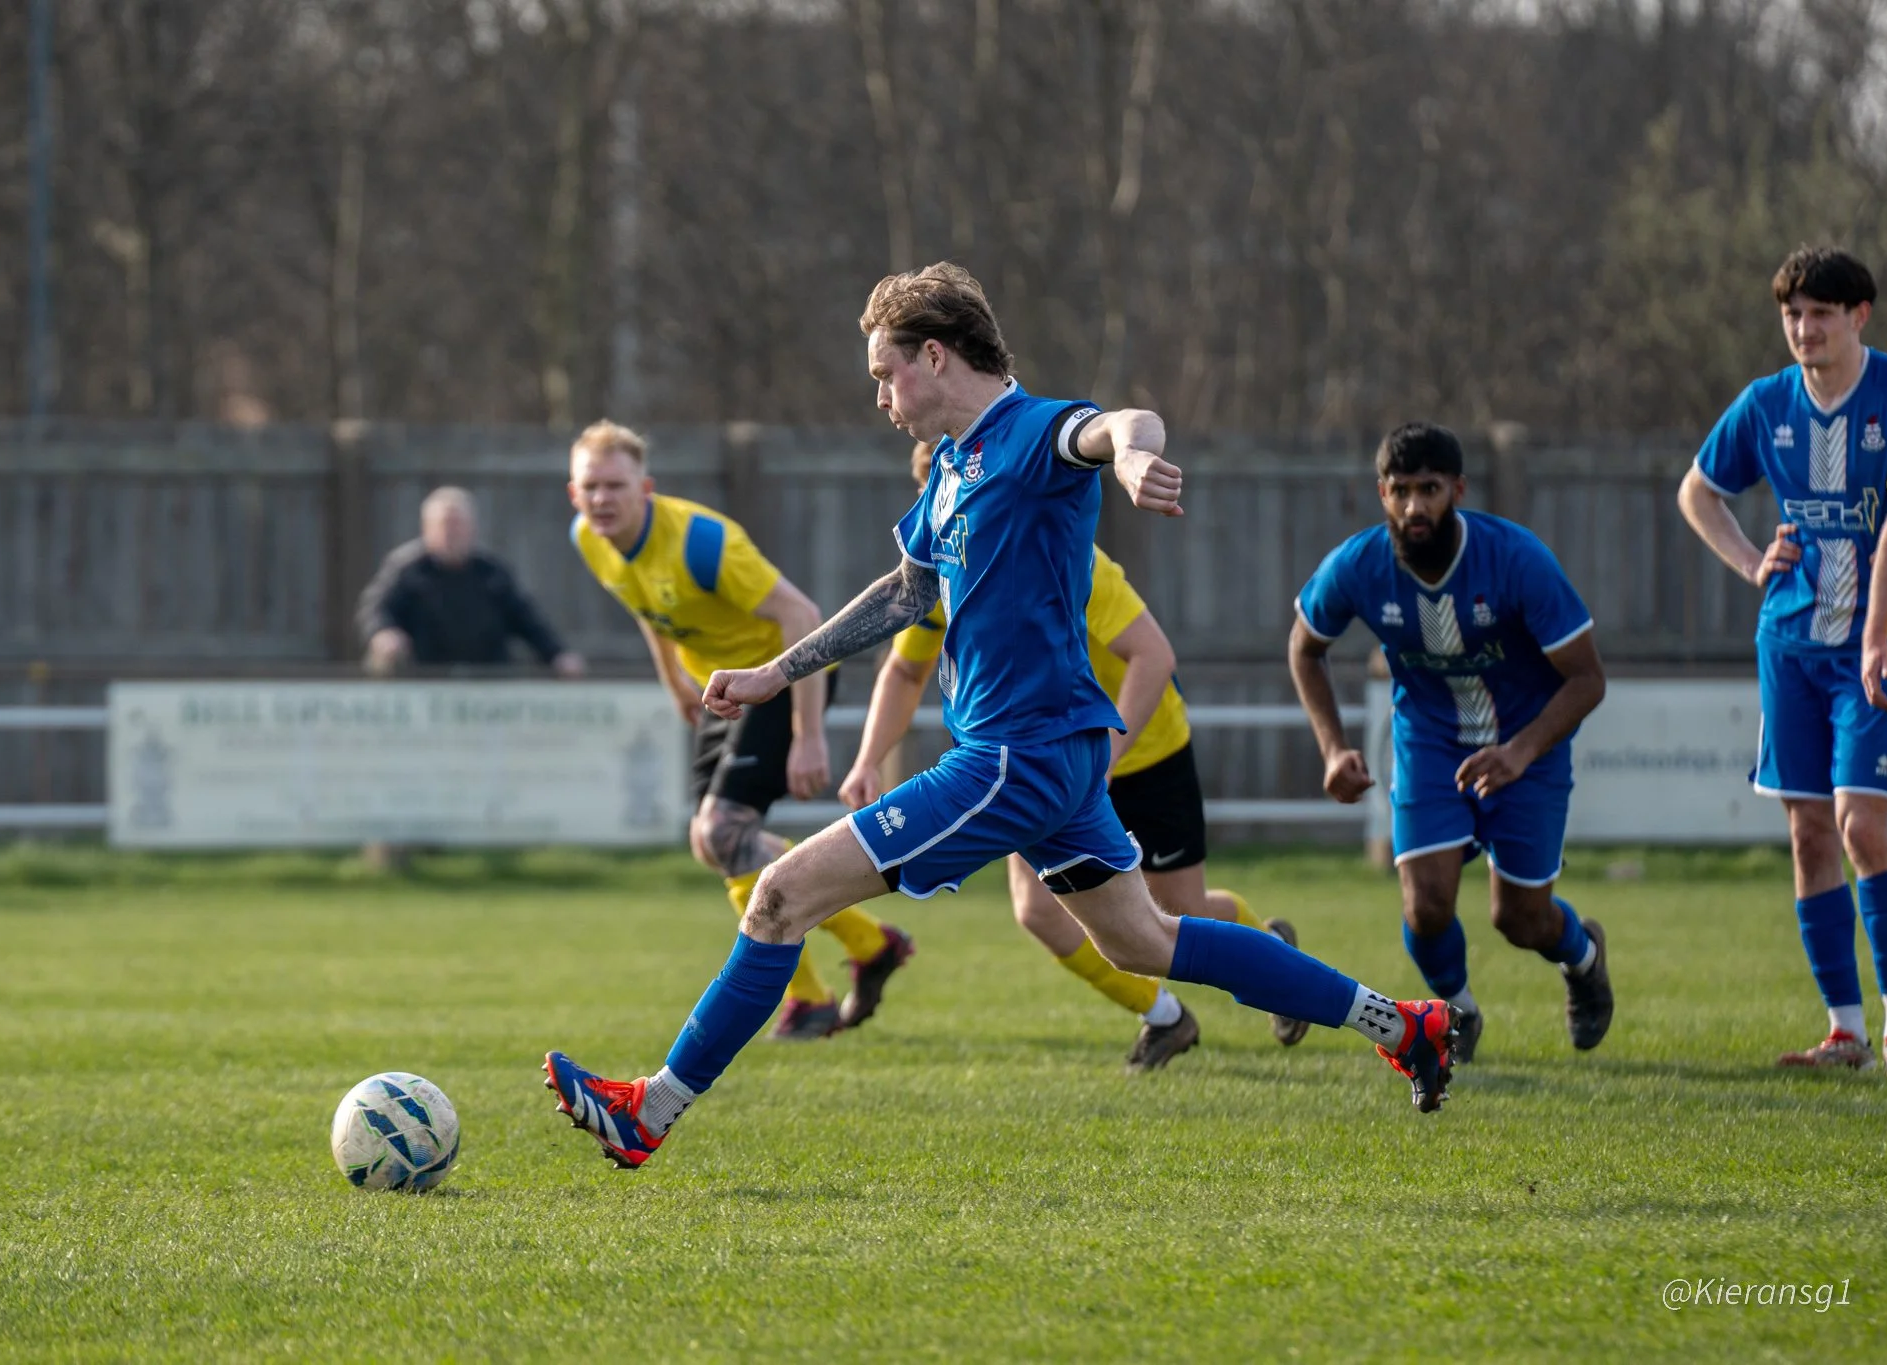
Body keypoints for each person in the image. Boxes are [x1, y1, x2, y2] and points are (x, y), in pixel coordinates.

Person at [544, 263, 1459, 1170]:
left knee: (782, 897)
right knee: (1145, 939)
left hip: (1013, 759)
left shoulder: (1031, 432)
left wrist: (1135, 456)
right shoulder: (949, 470)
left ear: (934, 357)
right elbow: (905, 594)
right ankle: (1406, 1024)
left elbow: (1119, 424)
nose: (879, 396)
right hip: (1048, 759)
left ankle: (649, 1112)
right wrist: (777, 673)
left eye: (882, 372)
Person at [838, 441, 1309, 1070]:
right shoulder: (942, 577)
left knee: (1178, 913)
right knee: (1039, 911)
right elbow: (903, 674)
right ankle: (1165, 1017)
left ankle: (1273, 952)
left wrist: (1106, 758)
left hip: (1141, 747)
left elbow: (1153, 658)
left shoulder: (1065, 557)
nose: (948, 509)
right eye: (934, 493)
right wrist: (869, 757)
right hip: (1046, 760)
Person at [566, 420, 914, 1039]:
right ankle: (861, 951)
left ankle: (821, 990)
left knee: (721, 831)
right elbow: (646, 607)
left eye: (615, 485)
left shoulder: (704, 543)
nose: (602, 499)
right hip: (720, 693)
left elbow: (802, 616)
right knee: (718, 844)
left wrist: (808, 735)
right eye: (590, 486)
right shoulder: (592, 541)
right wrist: (673, 679)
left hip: (780, 680)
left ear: (644, 488)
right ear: (574, 493)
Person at [1290, 423, 1612, 1063]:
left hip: (1527, 749)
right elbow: (1304, 647)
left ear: (1458, 489)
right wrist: (1332, 748)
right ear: (1381, 493)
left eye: (1429, 490)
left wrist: (1520, 752)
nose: (1414, 507)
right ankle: (1457, 1014)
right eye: (1401, 491)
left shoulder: (1516, 560)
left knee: (1518, 920)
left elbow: (1587, 680)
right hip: (1430, 744)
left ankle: (1583, 958)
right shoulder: (1358, 565)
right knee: (1426, 904)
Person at [1683, 244, 1887, 1073]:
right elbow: (1697, 490)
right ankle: (1844, 1029)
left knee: (1862, 825)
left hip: (1877, 645)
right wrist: (1750, 562)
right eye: (1792, 315)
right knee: (1810, 833)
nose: (1804, 329)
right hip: (1791, 641)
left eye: (1820, 313)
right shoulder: (1765, 403)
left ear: (1859, 317)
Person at [358, 486, 586, 677]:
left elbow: (527, 619)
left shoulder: (492, 573)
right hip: (424, 685)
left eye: (457, 524)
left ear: (472, 528)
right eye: (444, 524)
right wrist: (383, 633)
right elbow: (375, 609)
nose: (451, 532)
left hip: (487, 685)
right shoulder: (406, 569)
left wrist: (557, 655)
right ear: (426, 528)